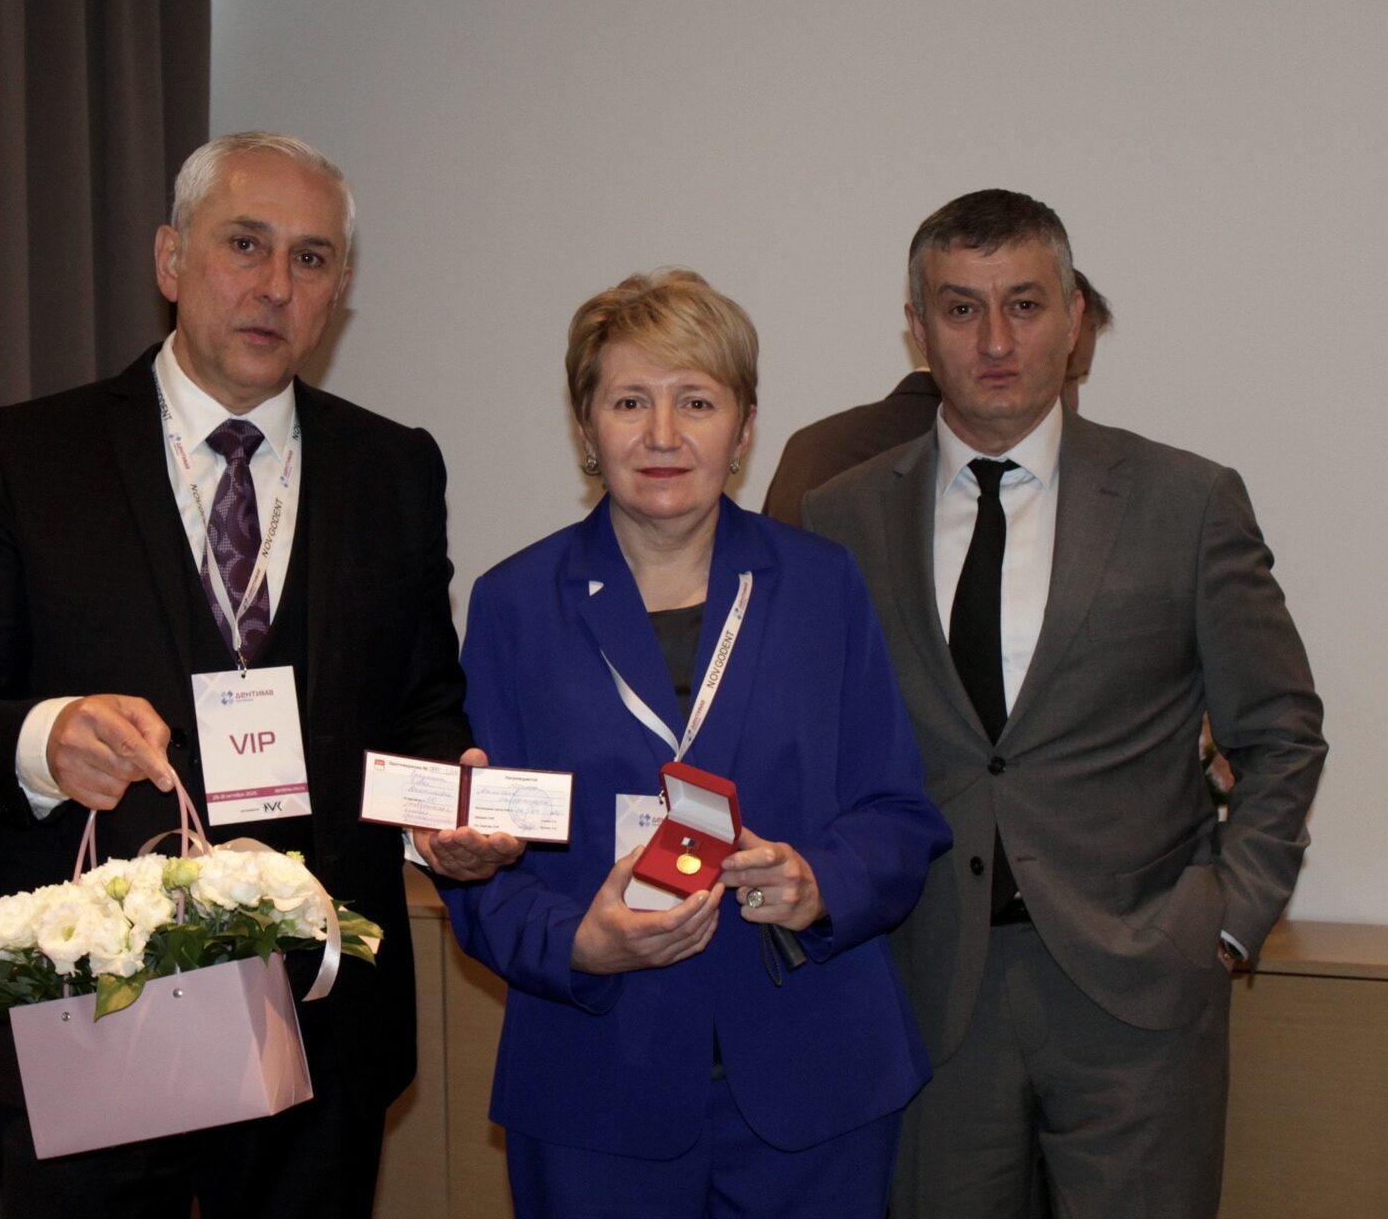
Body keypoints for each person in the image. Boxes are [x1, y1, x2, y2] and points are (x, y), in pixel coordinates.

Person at [0, 131, 520, 1218]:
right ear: (171, 259)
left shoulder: (394, 467)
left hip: (321, 1023)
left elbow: (423, 704)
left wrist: (442, 824)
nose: (276, 284)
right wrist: (48, 739)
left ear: (339, 290)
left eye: (312, 258)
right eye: (245, 244)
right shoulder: (29, 455)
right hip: (92, 1009)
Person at [802, 189, 1326, 1219]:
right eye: (961, 308)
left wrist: (1227, 922)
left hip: (1139, 992)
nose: (995, 340)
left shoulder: (1187, 501)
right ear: (917, 328)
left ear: (1076, 318)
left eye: (1026, 304)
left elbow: (1280, 731)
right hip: (928, 985)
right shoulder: (840, 516)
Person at [438, 268, 951, 1219]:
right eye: (630, 401)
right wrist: (579, 943)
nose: (663, 435)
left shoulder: (821, 586)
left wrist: (819, 881)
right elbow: (482, 863)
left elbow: (899, 813)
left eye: (698, 402)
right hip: (596, 1083)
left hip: (813, 1081)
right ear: (586, 426)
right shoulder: (515, 604)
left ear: (745, 430)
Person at [764, 272, 1111, 526]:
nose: (1073, 401)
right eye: (1068, 378)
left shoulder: (808, 446)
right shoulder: (980, 461)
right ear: (922, 330)